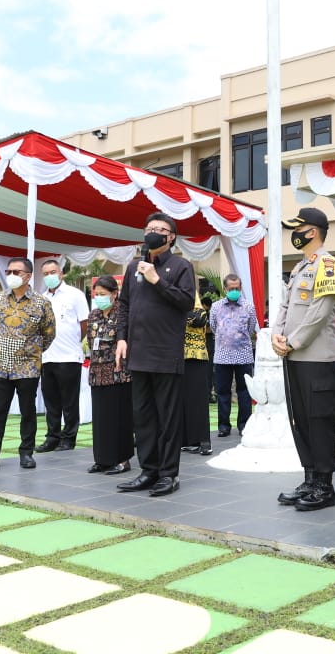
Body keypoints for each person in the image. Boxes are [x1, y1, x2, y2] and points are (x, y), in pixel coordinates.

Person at [115, 213, 196, 497]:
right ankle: (148, 470)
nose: (153, 233)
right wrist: (121, 338)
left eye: (160, 230)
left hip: (165, 353)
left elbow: (186, 303)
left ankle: (168, 474)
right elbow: (123, 305)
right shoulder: (133, 267)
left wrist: (156, 280)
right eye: (149, 228)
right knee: (143, 415)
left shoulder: (181, 266)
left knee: (168, 416)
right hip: (138, 352)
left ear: (171, 236)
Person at [272, 207, 335, 511]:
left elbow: (320, 311)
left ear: (312, 231)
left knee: (319, 421)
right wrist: (276, 334)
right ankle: (310, 478)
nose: (294, 234)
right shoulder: (302, 267)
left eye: (297, 229)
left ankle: (325, 487)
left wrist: (293, 342)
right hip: (294, 356)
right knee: (300, 420)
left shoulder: (327, 265)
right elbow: (286, 307)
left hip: (316, 358)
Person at [0, 257, 56, 472]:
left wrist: (31, 352)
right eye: (9, 271)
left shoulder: (41, 302)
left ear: (28, 276)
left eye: (17, 272)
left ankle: (26, 453)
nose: (11, 275)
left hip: (27, 367)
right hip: (0, 366)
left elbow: (49, 334)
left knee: (27, 412)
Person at [38, 259, 90, 453]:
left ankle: (69, 438)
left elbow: (84, 324)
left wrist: (74, 340)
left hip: (69, 357)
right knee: (51, 402)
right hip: (47, 357)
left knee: (69, 401)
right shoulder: (41, 298)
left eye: (53, 272)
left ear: (61, 273)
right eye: (46, 273)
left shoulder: (75, 294)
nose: (50, 276)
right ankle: (52, 437)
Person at [86, 276, 132, 475]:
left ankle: (122, 459)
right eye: (97, 294)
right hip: (97, 372)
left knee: (119, 417)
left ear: (115, 294)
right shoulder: (94, 314)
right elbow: (90, 340)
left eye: (103, 294)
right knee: (101, 418)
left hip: (118, 372)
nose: (99, 298)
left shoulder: (122, 313)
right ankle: (102, 459)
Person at [209, 274, 258, 437]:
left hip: (243, 355)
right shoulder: (216, 307)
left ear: (241, 288)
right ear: (225, 289)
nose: (234, 291)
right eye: (231, 289)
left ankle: (244, 424)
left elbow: (251, 328)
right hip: (222, 356)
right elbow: (213, 327)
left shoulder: (249, 306)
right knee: (223, 391)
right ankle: (224, 426)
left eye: (237, 288)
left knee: (244, 391)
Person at [179, 295, 213, 456]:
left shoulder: (193, 300)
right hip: (176, 357)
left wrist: (175, 313)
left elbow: (199, 318)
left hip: (197, 356)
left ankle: (204, 441)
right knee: (181, 400)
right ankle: (187, 440)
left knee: (198, 399)